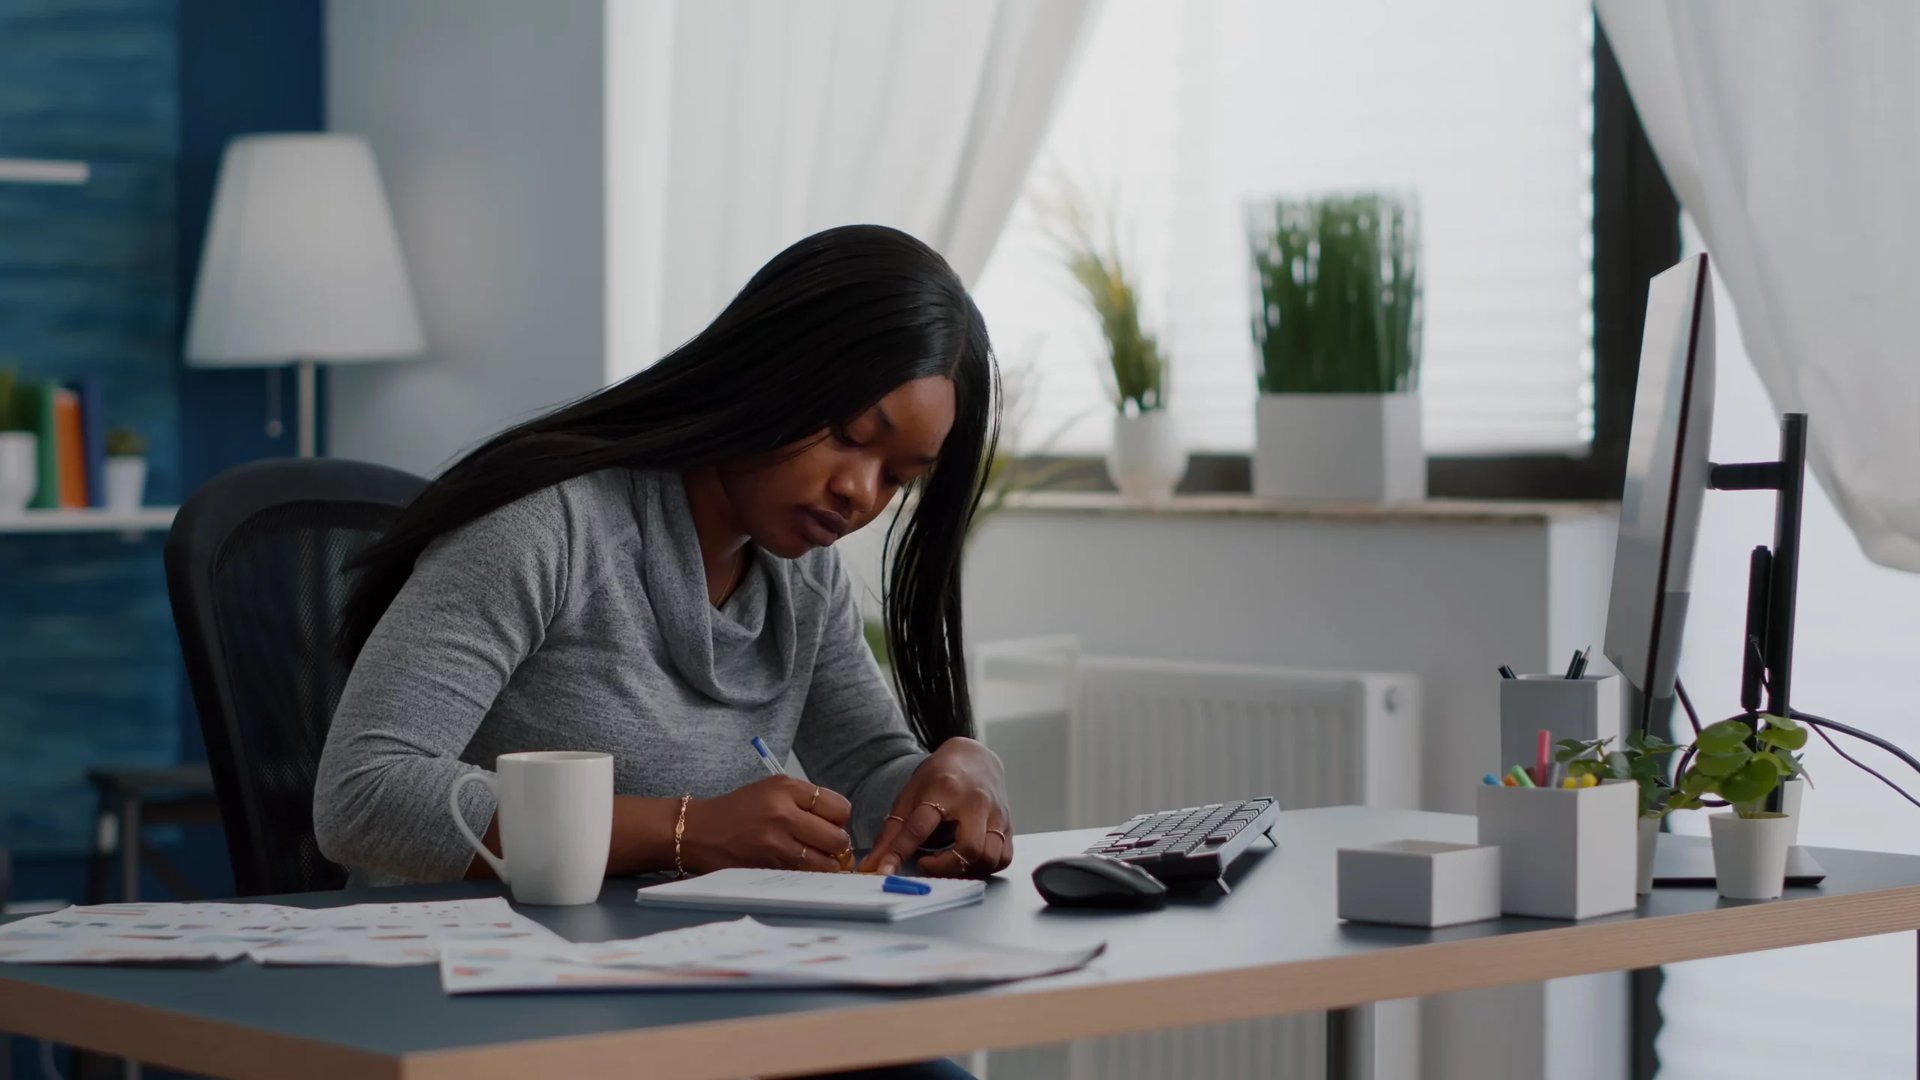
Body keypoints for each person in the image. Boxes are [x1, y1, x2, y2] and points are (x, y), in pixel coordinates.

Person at [314, 224, 1013, 894]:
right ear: (771, 369)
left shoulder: (803, 578)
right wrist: (684, 831)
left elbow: (870, 774)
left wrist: (952, 784)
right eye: (849, 434)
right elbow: (364, 793)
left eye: (897, 478)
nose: (860, 492)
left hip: (664, 960)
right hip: (455, 957)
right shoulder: (545, 528)